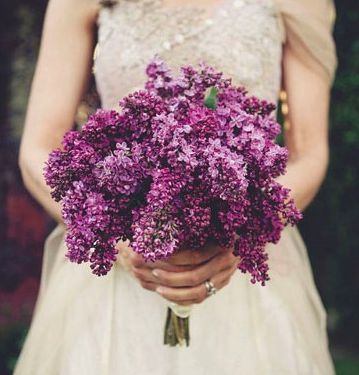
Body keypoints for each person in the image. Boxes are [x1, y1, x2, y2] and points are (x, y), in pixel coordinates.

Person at [15, 0, 337, 373]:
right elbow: (37, 150)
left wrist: (243, 232)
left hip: (245, 270)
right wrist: (119, 238)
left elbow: (310, 154)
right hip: (115, 275)